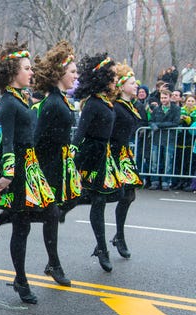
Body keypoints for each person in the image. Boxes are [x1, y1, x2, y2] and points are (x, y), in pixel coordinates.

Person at [0, 37, 55, 303]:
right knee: (21, 225)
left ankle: (21, 278)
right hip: (19, 169)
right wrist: (7, 175)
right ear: (14, 72)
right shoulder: (8, 102)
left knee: (45, 214)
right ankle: (21, 279)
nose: (31, 72)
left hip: (30, 165)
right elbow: (8, 141)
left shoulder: (21, 98)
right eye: (27, 68)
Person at [31, 40, 82, 286]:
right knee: (50, 214)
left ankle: (52, 262)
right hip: (47, 165)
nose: (76, 76)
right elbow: (37, 138)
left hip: (60, 164)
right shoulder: (52, 102)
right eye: (72, 72)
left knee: (65, 205)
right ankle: (54, 264)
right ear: (60, 73)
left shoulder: (60, 99)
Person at [70, 53, 122, 272]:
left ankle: (78, 200)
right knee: (99, 202)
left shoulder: (105, 101)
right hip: (91, 155)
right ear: (102, 78)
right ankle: (102, 248)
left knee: (116, 194)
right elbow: (80, 132)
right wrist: (72, 155)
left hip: (104, 154)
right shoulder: (92, 103)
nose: (115, 80)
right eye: (112, 77)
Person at [109, 63, 143, 259]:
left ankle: (119, 236)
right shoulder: (116, 108)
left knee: (128, 196)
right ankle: (63, 209)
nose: (136, 85)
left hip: (124, 154)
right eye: (132, 82)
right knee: (102, 196)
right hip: (113, 155)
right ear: (121, 86)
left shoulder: (131, 106)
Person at [148, 88, 181, 190]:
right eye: (162, 98)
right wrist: (153, 125)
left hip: (169, 139)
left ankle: (166, 182)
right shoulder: (157, 109)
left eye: (165, 97)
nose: (163, 100)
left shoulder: (176, 109)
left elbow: (175, 122)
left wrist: (159, 125)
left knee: (168, 162)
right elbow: (151, 121)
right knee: (154, 161)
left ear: (170, 97)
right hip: (157, 139)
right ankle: (155, 181)